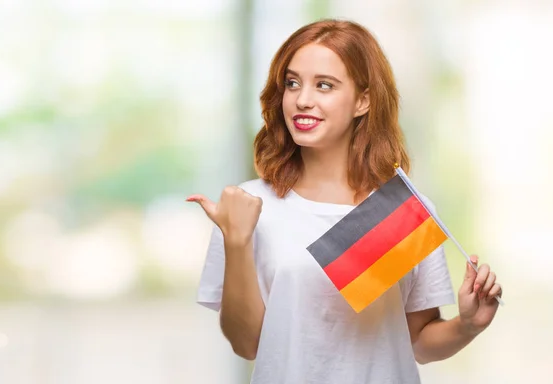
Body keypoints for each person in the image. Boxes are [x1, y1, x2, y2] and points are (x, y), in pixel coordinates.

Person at [187, 19, 502, 384]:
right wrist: (237, 240)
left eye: (325, 85)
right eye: (292, 83)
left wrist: (467, 325)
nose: (303, 99)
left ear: (363, 100)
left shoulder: (402, 208)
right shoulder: (247, 205)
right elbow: (248, 344)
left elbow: (418, 339)